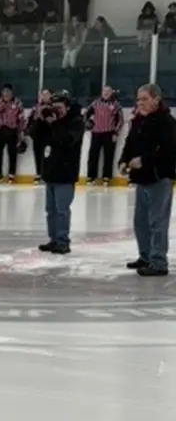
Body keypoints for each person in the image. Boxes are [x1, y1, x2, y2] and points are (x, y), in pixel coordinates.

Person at [119, 83, 176, 276]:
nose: (140, 103)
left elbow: (169, 151)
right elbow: (129, 143)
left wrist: (144, 161)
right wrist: (123, 160)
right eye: (138, 99)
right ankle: (145, 256)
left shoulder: (167, 122)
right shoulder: (139, 120)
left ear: (156, 99)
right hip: (142, 179)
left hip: (159, 178)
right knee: (140, 222)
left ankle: (158, 261)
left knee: (157, 222)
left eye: (144, 99)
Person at [38, 90, 84, 255]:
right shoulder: (52, 122)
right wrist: (41, 119)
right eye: (54, 108)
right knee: (50, 210)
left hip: (65, 173)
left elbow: (66, 140)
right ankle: (54, 239)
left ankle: (63, 241)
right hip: (51, 171)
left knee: (62, 210)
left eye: (60, 108)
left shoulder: (76, 122)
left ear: (67, 107)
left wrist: (54, 123)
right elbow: (36, 135)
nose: (57, 111)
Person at [85, 86, 123, 185]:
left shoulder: (116, 104)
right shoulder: (95, 103)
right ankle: (91, 177)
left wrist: (116, 133)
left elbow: (120, 120)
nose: (106, 93)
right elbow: (86, 114)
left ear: (111, 93)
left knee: (109, 156)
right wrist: (87, 124)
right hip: (96, 132)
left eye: (108, 91)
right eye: (104, 91)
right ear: (101, 93)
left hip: (109, 133)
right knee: (93, 155)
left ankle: (107, 177)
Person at [0, 85, 24, 183]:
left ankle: (11, 174)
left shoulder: (17, 102)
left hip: (12, 130)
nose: (6, 93)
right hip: (1, 129)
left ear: (12, 92)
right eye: (4, 91)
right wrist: (4, 104)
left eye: (8, 91)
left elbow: (21, 117)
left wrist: (20, 132)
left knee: (12, 152)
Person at [27, 89, 52, 184]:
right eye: (43, 95)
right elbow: (30, 119)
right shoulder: (36, 108)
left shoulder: (53, 107)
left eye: (47, 94)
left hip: (49, 134)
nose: (44, 96)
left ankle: (47, 174)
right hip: (37, 134)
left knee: (48, 155)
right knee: (38, 154)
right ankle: (39, 173)